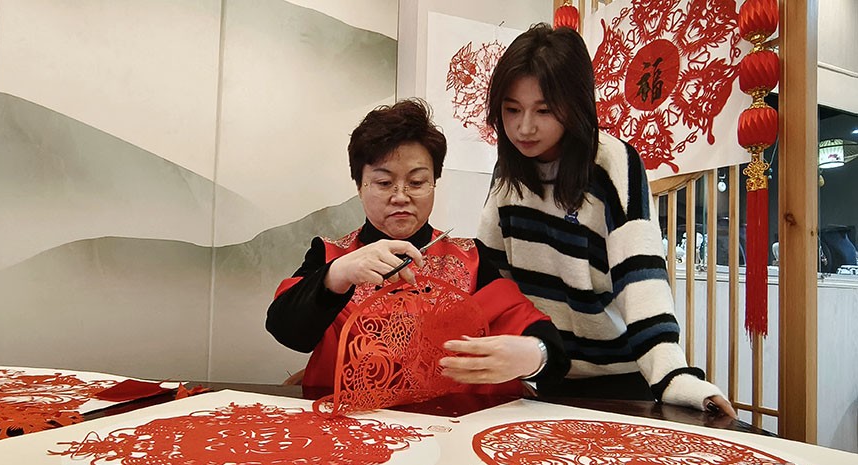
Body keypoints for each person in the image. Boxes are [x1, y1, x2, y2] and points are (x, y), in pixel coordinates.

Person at [459, 23, 736, 417]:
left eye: (544, 110)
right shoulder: (509, 170)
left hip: (616, 379)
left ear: (575, 105)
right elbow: (492, 276)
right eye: (512, 109)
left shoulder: (612, 164)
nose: (524, 127)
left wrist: (674, 376)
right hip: (538, 373)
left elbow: (640, 281)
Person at [266, 98, 567, 395]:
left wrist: (534, 355)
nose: (401, 196)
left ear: (434, 183)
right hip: (350, 417)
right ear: (359, 187)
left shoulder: (471, 257)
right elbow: (288, 333)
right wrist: (338, 274)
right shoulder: (332, 255)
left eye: (417, 182)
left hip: (448, 419)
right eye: (384, 183)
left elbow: (548, 346)